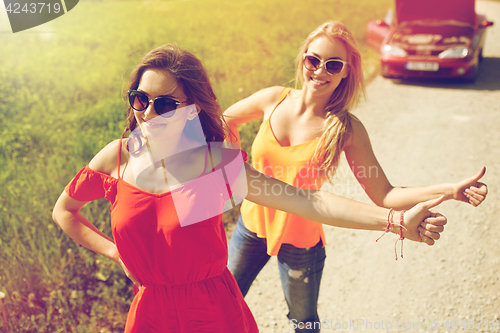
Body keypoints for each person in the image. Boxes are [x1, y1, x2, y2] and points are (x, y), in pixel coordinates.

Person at [52, 44, 447, 333]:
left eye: (166, 105)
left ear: (193, 107)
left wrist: (394, 220)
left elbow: (309, 202)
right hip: (150, 314)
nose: (148, 114)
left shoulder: (211, 169)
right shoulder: (116, 159)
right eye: (140, 99)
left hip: (213, 315)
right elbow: (65, 211)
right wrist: (115, 251)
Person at [224, 21, 488, 332]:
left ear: (346, 71)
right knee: (222, 300)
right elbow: (224, 120)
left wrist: (449, 189)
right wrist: (232, 171)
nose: (320, 71)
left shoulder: (346, 128)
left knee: (303, 322)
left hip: (301, 242)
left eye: (333, 65)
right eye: (314, 60)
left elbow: (385, 195)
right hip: (252, 225)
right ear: (304, 58)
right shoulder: (273, 99)